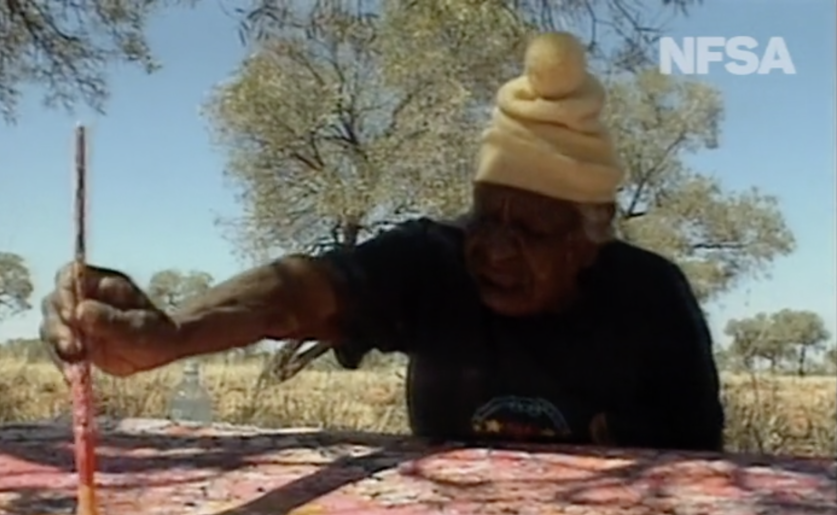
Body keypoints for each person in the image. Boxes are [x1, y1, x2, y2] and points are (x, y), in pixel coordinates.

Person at [40, 32, 725, 452]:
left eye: (531, 231)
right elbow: (297, 292)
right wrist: (174, 331)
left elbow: (698, 471)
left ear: (590, 236)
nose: (492, 249)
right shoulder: (433, 259)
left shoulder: (653, 298)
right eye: (486, 217)